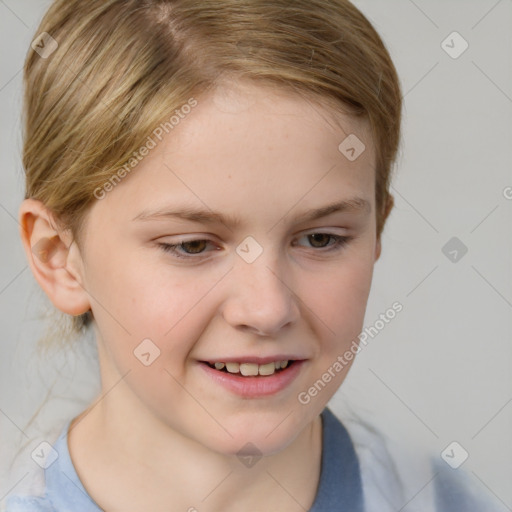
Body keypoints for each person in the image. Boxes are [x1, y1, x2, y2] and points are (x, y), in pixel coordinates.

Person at [4, 0, 500, 510]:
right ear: (59, 256)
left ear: (377, 232)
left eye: (320, 238)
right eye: (192, 245)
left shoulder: (441, 499)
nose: (267, 309)